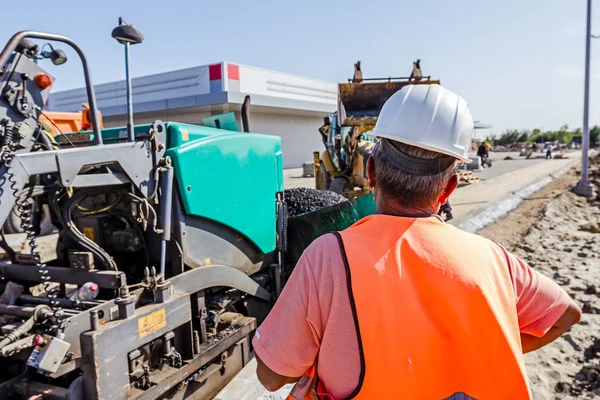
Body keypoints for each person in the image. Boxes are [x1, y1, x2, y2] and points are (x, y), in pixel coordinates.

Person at [253, 85, 581, 399]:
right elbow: (566, 314)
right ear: (450, 187)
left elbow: (271, 376)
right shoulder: (493, 259)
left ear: (371, 171)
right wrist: (484, 348)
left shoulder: (328, 257)